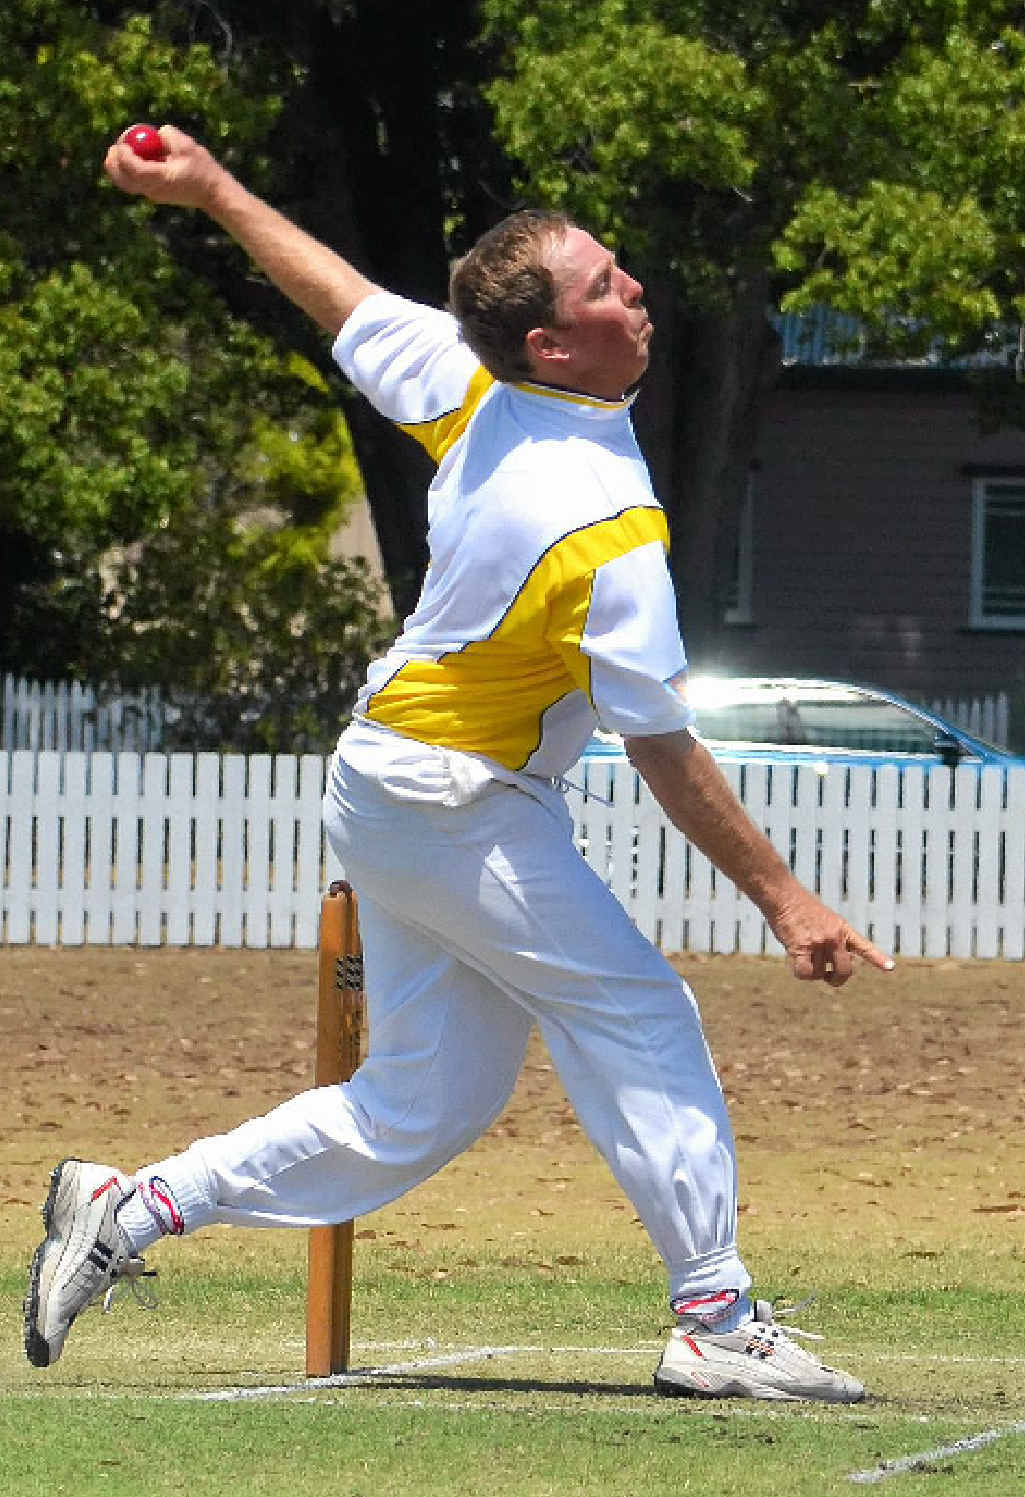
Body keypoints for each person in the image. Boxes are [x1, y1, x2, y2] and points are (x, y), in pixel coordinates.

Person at [24, 126, 893, 1399]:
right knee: (638, 1011)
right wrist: (785, 899)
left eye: (615, 271)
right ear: (548, 343)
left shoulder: (475, 377)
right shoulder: (600, 526)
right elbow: (658, 741)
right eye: (602, 287)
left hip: (402, 785)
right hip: (451, 799)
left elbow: (340, 297)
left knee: (417, 1108)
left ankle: (133, 1204)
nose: (633, 290)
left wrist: (210, 189)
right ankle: (712, 1317)